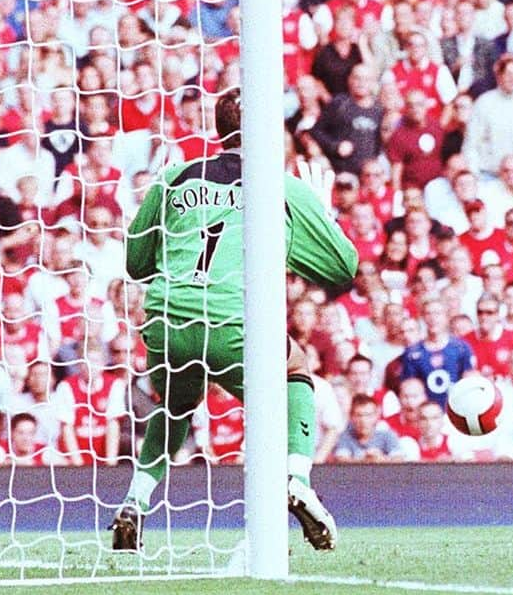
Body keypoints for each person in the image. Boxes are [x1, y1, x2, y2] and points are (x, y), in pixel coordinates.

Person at [111, 87, 358, 552]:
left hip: (167, 319)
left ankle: (135, 500)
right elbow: (343, 268)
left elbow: (137, 264)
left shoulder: (173, 177)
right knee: (297, 370)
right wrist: (324, 216)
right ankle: (297, 480)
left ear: (219, 129)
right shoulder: (280, 185)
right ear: (270, 131)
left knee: (178, 404)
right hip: (231, 323)